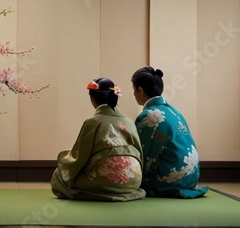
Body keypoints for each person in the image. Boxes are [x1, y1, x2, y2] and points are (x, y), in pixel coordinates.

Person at [51, 77, 146, 201]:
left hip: (102, 180)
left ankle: (102, 192)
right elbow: (139, 152)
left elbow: (79, 157)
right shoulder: (128, 122)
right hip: (133, 179)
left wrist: (64, 159)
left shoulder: (93, 122)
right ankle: (124, 190)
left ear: (93, 99)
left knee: (59, 176)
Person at [131, 66, 208, 198]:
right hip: (192, 177)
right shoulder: (174, 111)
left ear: (140, 90)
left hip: (172, 178)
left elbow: (144, 155)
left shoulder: (149, 115)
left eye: (133, 90)